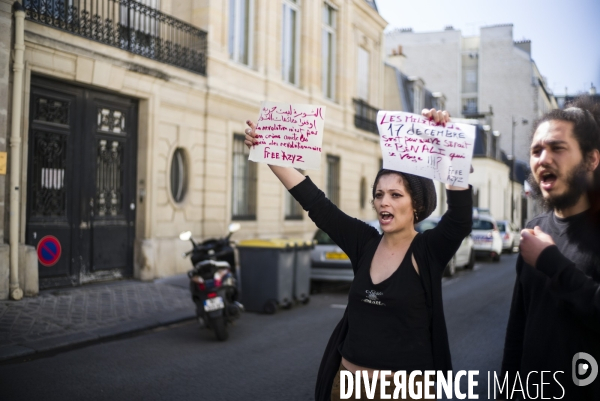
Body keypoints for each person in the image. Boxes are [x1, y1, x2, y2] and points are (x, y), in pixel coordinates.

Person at [245, 109, 473, 400]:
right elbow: (317, 204)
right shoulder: (365, 242)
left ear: (416, 205)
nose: (383, 202)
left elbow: (459, 220)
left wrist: (450, 143)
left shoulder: (427, 250)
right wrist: (267, 150)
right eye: (378, 194)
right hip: (347, 386)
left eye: (395, 194)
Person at [499, 96, 600, 400]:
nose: (543, 158)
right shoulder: (535, 228)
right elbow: (518, 326)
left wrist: (551, 262)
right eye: (536, 150)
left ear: (591, 159)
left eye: (557, 147)